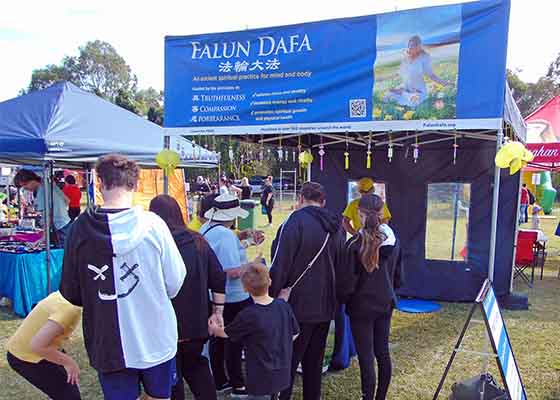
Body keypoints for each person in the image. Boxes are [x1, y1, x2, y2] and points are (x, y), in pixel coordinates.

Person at [59, 154, 187, 400]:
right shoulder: (154, 225)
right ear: (136, 184)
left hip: (107, 340)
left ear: (99, 183)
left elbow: (71, 291)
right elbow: (175, 282)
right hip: (155, 336)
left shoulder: (79, 229)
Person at [270, 182, 346, 400]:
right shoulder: (337, 226)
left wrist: (272, 296)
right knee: (314, 363)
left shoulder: (295, 221)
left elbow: (280, 263)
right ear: (323, 202)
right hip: (325, 304)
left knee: (288, 361)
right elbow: (342, 266)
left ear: (301, 199)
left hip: (297, 306)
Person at [149, 194, 226, 400]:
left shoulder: (152, 245)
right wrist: (217, 312)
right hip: (196, 323)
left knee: (173, 375)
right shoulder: (198, 241)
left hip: (165, 326)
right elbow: (218, 277)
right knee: (196, 367)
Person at [339, 194, 403, 400]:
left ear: (360, 214)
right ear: (382, 213)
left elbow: (347, 283)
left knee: (366, 357)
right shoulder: (394, 241)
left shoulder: (354, 244)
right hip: (385, 303)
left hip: (361, 307)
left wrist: (343, 298)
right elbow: (399, 277)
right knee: (382, 352)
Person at [209, 262, 300, 400]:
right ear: (270, 281)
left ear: (245, 289)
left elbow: (227, 333)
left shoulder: (248, 315)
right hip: (283, 371)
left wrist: (215, 329)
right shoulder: (283, 306)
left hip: (260, 377)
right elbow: (295, 333)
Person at [201, 193, 261, 397]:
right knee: (234, 340)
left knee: (217, 339)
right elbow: (232, 271)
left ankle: (219, 380)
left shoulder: (206, 228)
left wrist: (245, 239)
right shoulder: (225, 235)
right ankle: (238, 384)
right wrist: (254, 265)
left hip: (213, 294)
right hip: (233, 296)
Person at [6, 291, 82, 400]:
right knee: (70, 396)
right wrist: (69, 363)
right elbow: (37, 346)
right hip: (26, 357)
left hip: (38, 349)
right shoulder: (69, 309)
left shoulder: (63, 294)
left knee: (67, 388)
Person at [383, 35, 452, 107]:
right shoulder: (405, 58)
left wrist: (445, 83)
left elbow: (431, 75)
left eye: (413, 45)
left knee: (414, 101)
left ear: (419, 46)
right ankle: (403, 92)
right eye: (409, 45)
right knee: (388, 95)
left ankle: (403, 93)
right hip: (406, 88)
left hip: (418, 90)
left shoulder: (424, 57)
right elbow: (398, 73)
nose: (410, 47)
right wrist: (384, 78)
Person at [13, 169, 71, 247]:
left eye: (25, 185)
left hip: (59, 226)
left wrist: (43, 238)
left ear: (32, 180)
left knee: (62, 252)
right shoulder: (48, 184)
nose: (25, 188)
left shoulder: (41, 191)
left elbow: (47, 217)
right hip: (66, 222)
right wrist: (59, 208)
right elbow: (67, 200)